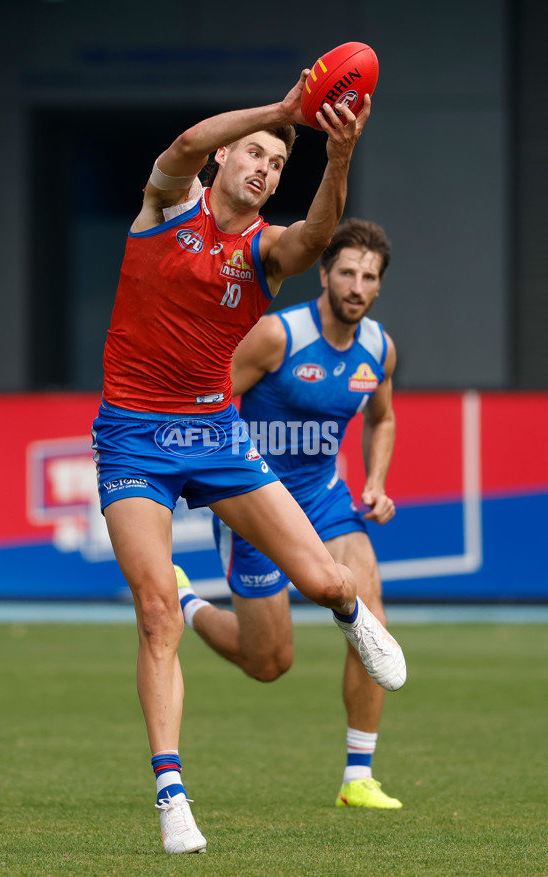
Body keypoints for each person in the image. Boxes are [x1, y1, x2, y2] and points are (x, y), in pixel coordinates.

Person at [92, 71, 406, 856]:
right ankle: (172, 792)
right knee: (156, 610)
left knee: (333, 581)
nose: (265, 165)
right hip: (133, 436)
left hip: (215, 435)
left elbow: (318, 233)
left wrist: (335, 155)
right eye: (255, 153)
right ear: (224, 158)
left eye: (277, 160)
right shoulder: (166, 206)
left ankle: (348, 614)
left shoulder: (265, 251)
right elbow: (182, 144)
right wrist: (284, 110)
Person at [176, 217, 403, 809]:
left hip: (326, 500)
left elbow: (381, 417)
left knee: (368, 615)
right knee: (269, 662)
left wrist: (375, 482)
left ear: (378, 287)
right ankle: (187, 605)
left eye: (369, 277)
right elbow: (211, 397)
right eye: (347, 272)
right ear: (324, 275)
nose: (357, 285)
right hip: (257, 505)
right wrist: (206, 473)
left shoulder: (379, 348)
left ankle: (359, 776)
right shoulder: (278, 336)